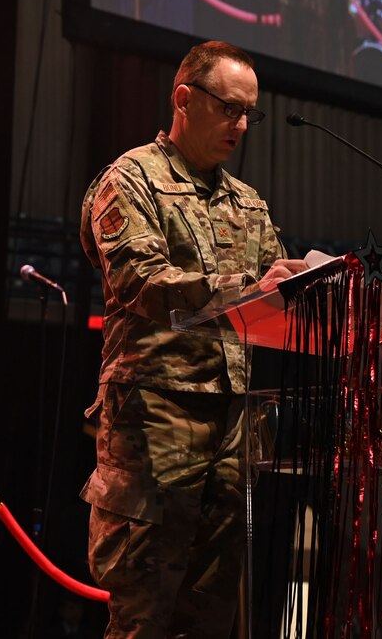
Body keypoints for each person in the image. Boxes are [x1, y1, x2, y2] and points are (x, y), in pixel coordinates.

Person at [78, 40, 307, 638]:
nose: (240, 125)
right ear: (184, 98)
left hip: (232, 425)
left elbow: (275, 300)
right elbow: (141, 283)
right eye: (230, 108)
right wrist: (250, 284)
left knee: (210, 615)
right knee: (143, 613)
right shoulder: (131, 181)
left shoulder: (247, 204)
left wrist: (316, 287)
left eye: (248, 114)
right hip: (155, 419)